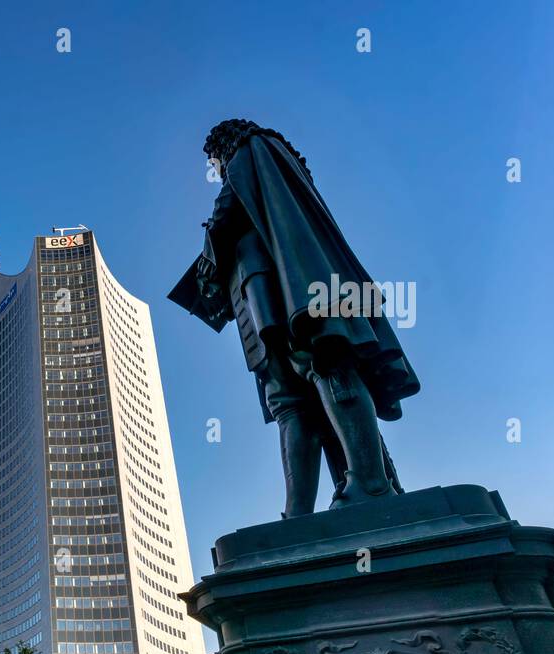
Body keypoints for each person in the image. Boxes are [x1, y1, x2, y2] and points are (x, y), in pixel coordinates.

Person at [172, 119, 419, 517]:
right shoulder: (272, 165)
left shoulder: (251, 149)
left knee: (322, 362)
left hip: (277, 282)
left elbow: (228, 208)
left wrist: (205, 260)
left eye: (216, 161)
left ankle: (371, 484)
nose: (217, 169)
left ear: (223, 147)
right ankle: (299, 513)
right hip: (258, 286)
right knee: (288, 399)